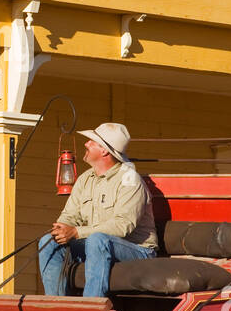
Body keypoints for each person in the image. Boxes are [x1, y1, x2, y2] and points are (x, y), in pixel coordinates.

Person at [38, 122, 157, 298]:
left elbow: (122, 226)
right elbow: (70, 215)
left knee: (97, 240)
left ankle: (91, 307)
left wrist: (77, 232)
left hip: (138, 250)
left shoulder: (130, 180)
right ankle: (57, 305)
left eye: (92, 141)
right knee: (48, 242)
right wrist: (62, 229)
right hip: (96, 243)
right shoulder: (85, 179)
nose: (86, 144)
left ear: (104, 151)